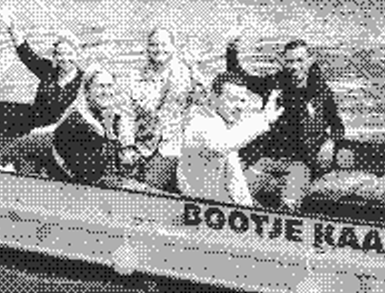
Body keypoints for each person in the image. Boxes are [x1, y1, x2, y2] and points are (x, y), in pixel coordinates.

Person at [224, 32, 344, 211]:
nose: (295, 66)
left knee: (289, 205)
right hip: (269, 158)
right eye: (290, 61)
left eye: (299, 60)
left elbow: (337, 125)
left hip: (300, 162)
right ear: (283, 62)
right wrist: (231, 50)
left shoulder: (321, 91)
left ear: (310, 60)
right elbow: (241, 77)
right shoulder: (275, 83)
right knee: (236, 194)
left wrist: (331, 142)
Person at [0, 8, 86, 175]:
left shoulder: (83, 81)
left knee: (26, 145)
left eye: (68, 53)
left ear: (76, 54)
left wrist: (48, 130)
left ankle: (6, 165)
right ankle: (13, 167)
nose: (63, 59)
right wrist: (12, 28)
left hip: (61, 135)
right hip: (35, 127)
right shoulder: (48, 70)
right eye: (58, 54)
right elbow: (26, 54)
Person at [177, 72, 285, 207]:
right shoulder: (199, 122)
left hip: (217, 206)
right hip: (195, 206)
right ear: (214, 98)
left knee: (271, 184)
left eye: (243, 100)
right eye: (233, 99)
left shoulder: (224, 125)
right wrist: (264, 120)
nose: (239, 106)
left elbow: (235, 181)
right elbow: (224, 143)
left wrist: (249, 209)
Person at [127, 27, 208, 191]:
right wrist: (128, 145)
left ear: (173, 47)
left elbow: (202, 102)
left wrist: (196, 73)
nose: (159, 49)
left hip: (174, 147)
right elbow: (130, 112)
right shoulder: (137, 76)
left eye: (163, 44)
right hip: (144, 147)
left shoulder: (186, 73)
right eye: (153, 45)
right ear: (147, 48)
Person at [46, 63, 136, 187]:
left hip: (104, 189)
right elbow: (90, 174)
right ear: (87, 91)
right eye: (100, 86)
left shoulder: (113, 119)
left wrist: (126, 144)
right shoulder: (74, 122)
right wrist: (112, 137)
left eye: (110, 86)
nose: (106, 92)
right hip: (73, 190)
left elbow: (128, 166)